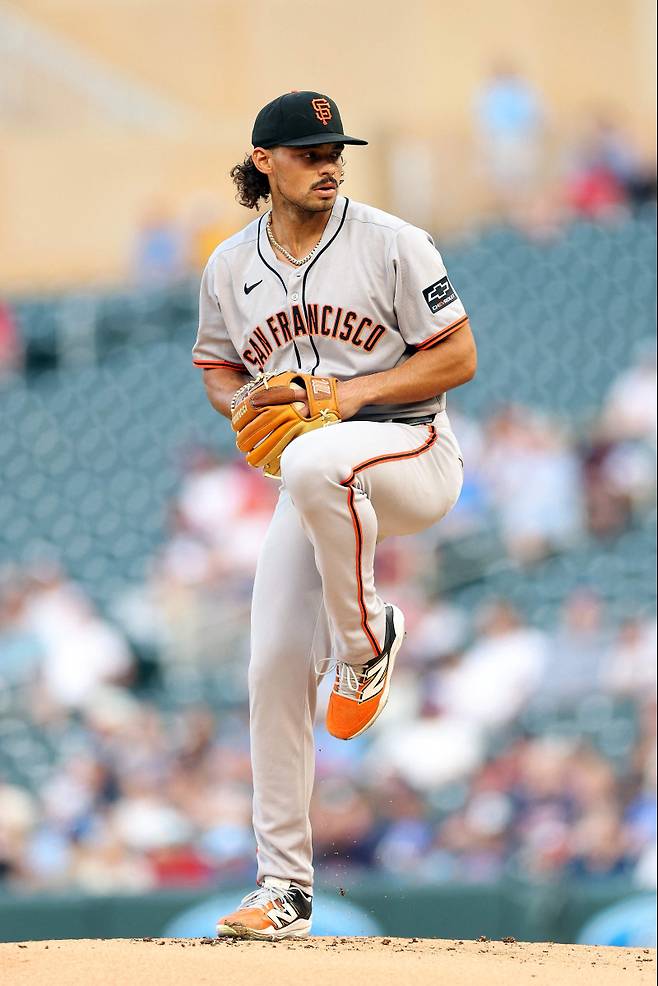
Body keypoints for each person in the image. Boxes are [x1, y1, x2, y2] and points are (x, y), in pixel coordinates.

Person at [192, 90, 477, 939]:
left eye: (335, 151)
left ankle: (366, 644)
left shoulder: (394, 242)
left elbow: (459, 354)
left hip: (411, 455)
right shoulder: (228, 266)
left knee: (318, 453)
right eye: (310, 152)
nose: (329, 164)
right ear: (264, 161)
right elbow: (215, 365)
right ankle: (284, 889)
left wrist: (349, 394)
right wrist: (242, 404)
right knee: (273, 661)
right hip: (317, 484)